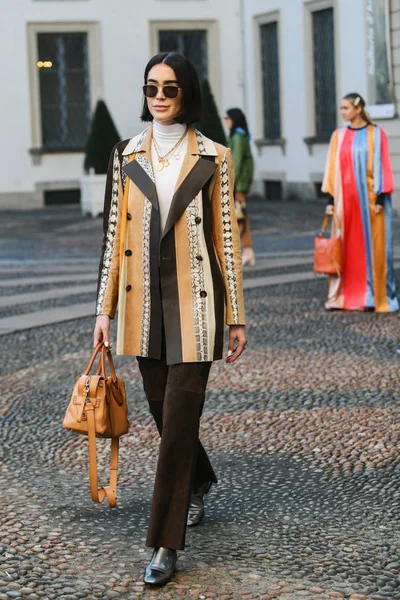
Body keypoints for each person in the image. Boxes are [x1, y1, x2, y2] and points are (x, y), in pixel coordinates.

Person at [93, 52, 247, 586]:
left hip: (197, 304)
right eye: (151, 87)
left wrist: (237, 316)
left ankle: (164, 541)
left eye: (170, 88)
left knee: (180, 416)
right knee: (163, 412)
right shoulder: (125, 153)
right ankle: (199, 479)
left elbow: (226, 240)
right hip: (142, 306)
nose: (159, 97)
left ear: (188, 94)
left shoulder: (214, 155)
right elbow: (114, 239)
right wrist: (103, 311)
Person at [322, 92, 398, 312]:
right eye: (341, 108)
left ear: (358, 108)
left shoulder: (376, 133)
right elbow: (331, 169)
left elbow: (383, 165)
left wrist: (381, 198)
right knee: (345, 245)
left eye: (346, 108)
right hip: (345, 203)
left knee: (374, 246)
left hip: (371, 202)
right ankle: (344, 295)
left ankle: (373, 295)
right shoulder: (338, 135)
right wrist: (331, 200)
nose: (342, 112)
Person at [224, 108, 255, 267]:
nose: (225, 121)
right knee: (240, 215)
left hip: (238, 185)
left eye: (227, 118)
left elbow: (233, 162)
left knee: (239, 217)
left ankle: (247, 250)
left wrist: (228, 182)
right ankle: (247, 251)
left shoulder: (237, 137)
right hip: (240, 183)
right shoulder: (241, 136)